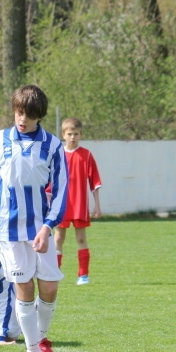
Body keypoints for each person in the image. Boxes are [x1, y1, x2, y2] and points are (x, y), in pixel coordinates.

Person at [0, 84, 67, 352]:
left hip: (39, 230)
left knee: (50, 286)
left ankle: (41, 339)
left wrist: (47, 227)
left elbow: (61, 192)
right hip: (7, 229)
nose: (22, 119)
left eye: (29, 115)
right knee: (24, 287)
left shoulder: (53, 145)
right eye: (19, 113)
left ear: (39, 116)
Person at [53, 117, 101, 285]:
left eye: (76, 134)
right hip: (61, 205)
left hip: (80, 205)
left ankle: (83, 275)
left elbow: (94, 182)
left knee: (81, 238)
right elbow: (50, 181)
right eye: (69, 134)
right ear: (63, 135)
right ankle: (55, 273)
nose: (72, 137)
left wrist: (97, 205)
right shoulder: (58, 154)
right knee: (58, 238)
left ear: (81, 135)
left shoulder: (86, 155)